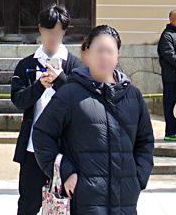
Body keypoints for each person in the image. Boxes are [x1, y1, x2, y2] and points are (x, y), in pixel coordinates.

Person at [31, 25, 154, 215]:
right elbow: (42, 135)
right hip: (84, 198)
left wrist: (138, 178)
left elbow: (145, 141)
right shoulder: (70, 93)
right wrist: (66, 171)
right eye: (99, 51)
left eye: (109, 51)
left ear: (117, 55)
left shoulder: (133, 96)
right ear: (87, 54)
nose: (104, 57)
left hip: (125, 200)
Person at [11, 4, 78, 215]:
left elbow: (81, 104)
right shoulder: (26, 65)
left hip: (67, 150)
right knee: (28, 204)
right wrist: (39, 85)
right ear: (40, 29)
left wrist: (60, 81)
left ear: (65, 31)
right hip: (33, 148)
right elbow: (18, 100)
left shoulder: (75, 65)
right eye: (49, 31)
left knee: (68, 205)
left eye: (58, 32)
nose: (53, 37)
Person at [156, 10, 176, 141]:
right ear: (170, 19)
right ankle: (170, 132)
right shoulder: (167, 36)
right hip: (172, 78)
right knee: (171, 104)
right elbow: (169, 55)